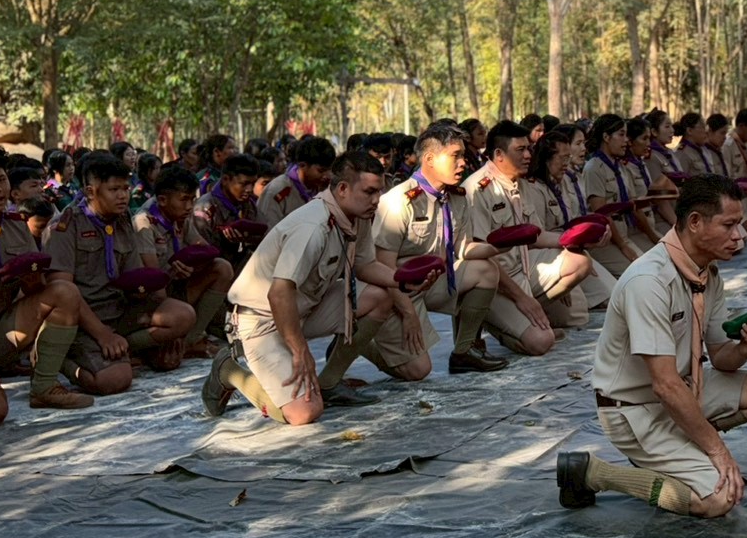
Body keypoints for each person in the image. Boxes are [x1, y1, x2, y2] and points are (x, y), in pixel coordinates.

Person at [556, 175, 747, 518]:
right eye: (729, 225)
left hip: (681, 393)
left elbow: (720, 357)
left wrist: (745, 348)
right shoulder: (649, 281)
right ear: (694, 223)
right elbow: (664, 383)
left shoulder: (706, 273)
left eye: (740, 224)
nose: (741, 235)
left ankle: (682, 449)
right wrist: (718, 451)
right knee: (717, 501)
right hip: (634, 409)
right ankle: (595, 474)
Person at [202, 151, 437, 425]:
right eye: (370, 191)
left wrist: (402, 280)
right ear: (342, 189)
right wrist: (301, 351)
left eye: (379, 192)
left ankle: (329, 382)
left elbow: (365, 266)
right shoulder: (313, 226)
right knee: (303, 413)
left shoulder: (355, 216)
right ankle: (229, 370)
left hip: (304, 309)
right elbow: (279, 294)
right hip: (262, 321)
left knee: (379, 296)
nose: (377, 200)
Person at [43, 152, 196, 387]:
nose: (123, 196)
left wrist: (166, 327)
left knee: (183, 316)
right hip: (84, 318)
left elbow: (134, 276)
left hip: (121, 309)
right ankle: (66, 362)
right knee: (115, 380)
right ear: (91, 192)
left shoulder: (122, 220)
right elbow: (64, 294)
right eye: (114, 190)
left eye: (125, 188)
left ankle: (124, 348)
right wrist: (103, 335)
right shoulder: (65, 227)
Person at [369, 123, 506, 375]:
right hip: (398, 292)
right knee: (418, 371)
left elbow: (463, 248)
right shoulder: (399, 202)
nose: (463, 162)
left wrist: (499, 245)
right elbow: (383, 268)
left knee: (485, 270)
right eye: (455, 155)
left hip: (436, 282)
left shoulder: (457, 197)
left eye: (463, 155)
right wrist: (408, 313)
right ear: (430, 159)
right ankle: (360, 341)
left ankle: (464, 352)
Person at [0, 145, 93, 419]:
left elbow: (35, 291)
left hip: (0, 334)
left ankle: (44, 387)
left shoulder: (16, 224)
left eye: (1, 180)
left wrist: (32, 280)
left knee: (63, 291)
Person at [461, 121, 570, 357]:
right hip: (494, 283)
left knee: (578, 261)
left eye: (528, 149)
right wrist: (521, 299)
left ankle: (529, 320)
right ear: (499, 154)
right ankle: (494, 324)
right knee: (541, 342)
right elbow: (481, 258)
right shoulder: (477, 189)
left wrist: (572, 240)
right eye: (520, 150)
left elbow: (535, 236)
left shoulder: (520, 183)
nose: (529, 155)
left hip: (523, 271)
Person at [134, 166, 233, 357]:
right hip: (152, 300)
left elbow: (204, 248)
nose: (189, 206)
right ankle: (155, 344)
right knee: (167, 359)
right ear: (162, 199)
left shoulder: (180, 215)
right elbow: (155, 286)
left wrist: (194, 264)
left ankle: (190, 340)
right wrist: (172, 272)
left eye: (192, 199)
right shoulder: (144, 222)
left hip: (177, 288)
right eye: (184, 199)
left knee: (222, 268)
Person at [525, 129, 618, 310]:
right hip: (555, 253)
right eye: (562, 158)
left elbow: (573, 220)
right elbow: (538, 238)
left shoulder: (565, 181)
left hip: (575, 249)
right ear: (547, 158)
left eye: (569, 158)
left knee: (615, 294)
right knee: (588, 308)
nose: (566, 164)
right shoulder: (534, 188)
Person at [583, 114, 650, 275]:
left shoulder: (620, 167)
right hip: (606, 241)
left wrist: (654, 236)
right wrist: (623, 246)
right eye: (621, 134)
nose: (626, 140)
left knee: (654, 267)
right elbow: (602, 212)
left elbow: (633, 205)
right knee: (641, 274)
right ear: (606, 137)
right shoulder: (594, 168)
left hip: (625, 233)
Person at [192, 153, 262, 268]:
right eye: (244, 184)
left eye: (252, 183)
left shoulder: (248, 205)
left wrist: (248, 239)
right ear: (225, 179)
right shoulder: (205, 209)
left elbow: (265, 234)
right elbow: (201, 254)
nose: (250, 190)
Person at [256, 136, 336, 227]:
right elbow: (268, 232)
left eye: (330, 170)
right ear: (302, 166)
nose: (327, 176)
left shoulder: (326, 188)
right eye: (321, 171)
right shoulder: (277, 190)